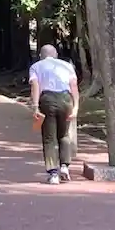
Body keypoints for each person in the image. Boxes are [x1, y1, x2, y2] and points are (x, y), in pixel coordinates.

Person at [28, 44, 79, 184]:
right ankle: (65, 166)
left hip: (47, 99)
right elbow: (74, 86)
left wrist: (35, 106)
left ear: (40, 56)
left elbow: (35, 86)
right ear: (56, 55)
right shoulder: (67, 66)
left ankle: (53, 173)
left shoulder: (36, 66)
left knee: (49, 138)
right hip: (66, 99)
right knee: (64, 134)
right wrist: (76, 107)